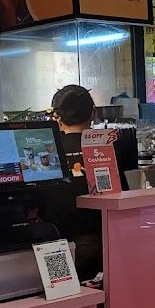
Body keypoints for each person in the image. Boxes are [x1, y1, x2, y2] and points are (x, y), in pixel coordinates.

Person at [45, 84, 103, 280]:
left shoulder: (46, 152)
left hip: (53, 246)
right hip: (96, 249)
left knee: (61, 298)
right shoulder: (104, 152)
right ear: (93, 113)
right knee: (91, 301)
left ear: (57, 116)